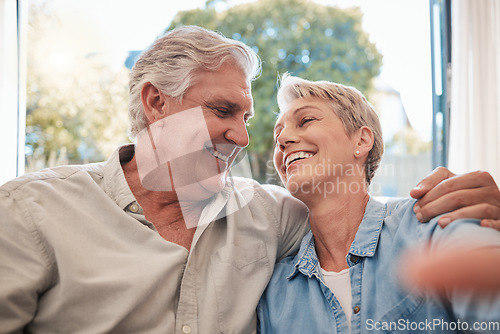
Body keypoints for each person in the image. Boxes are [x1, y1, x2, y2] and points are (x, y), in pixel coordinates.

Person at [0, 26, 498, 334]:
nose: (243, 136)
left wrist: (470, 202)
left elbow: (354, 213)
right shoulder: (30, 211)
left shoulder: (271, 214)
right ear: (155, 103)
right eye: (222, 110)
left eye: (250, 118)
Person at [257, 74, 500, 333]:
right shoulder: (275, 293)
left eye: (306, 120)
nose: (283, 140)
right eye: (278, 135)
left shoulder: (433, 222)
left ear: (361, 141)